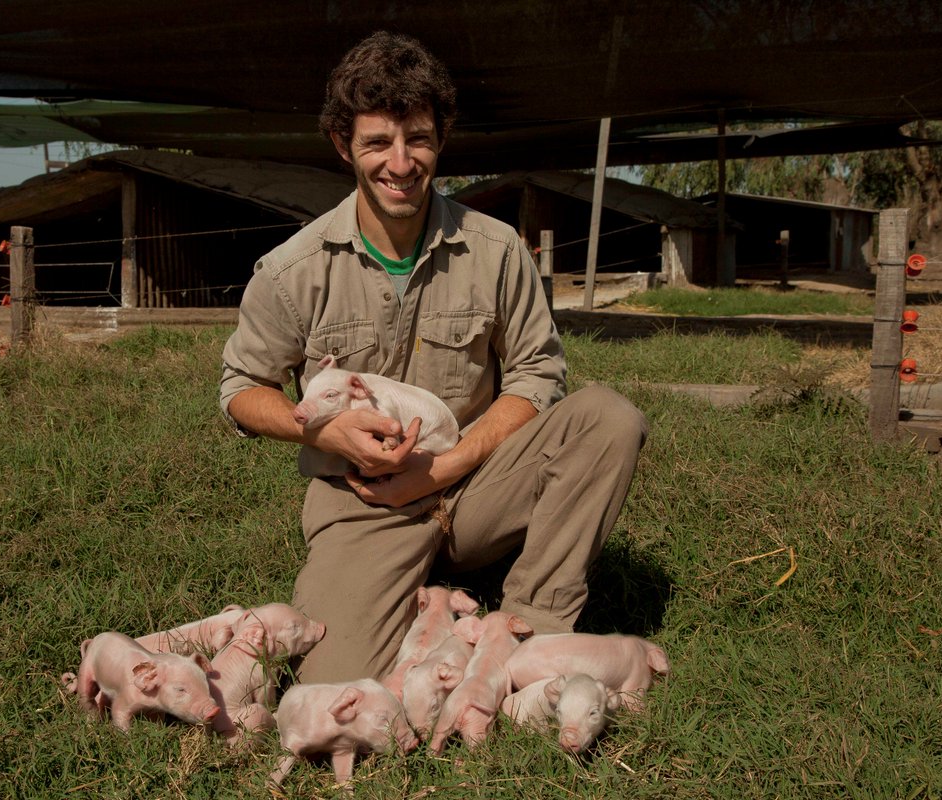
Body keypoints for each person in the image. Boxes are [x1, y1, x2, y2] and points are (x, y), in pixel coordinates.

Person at [220, 31, 647, 684]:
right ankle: (413, 607)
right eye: (377, 143)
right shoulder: (292, 270)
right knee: (332, 691)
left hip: (477, 490)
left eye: (417, 138)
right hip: (362, 499)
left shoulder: (497, 250)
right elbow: (241, 390)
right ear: (343, 146)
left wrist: (450, 463)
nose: (401, 162)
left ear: (441, 136)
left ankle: (532, 635)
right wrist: (324, 428)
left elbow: (538, 375)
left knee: (608, 419)